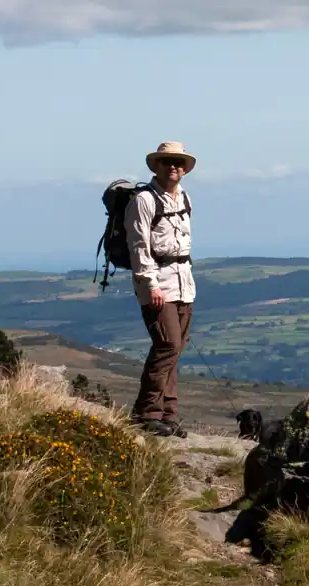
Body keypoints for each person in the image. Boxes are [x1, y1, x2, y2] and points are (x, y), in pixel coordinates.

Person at [125, 141, 197, 437]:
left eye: (178, 162)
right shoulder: (144, 200)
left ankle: (167, 413)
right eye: (167, 161)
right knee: (167, 345)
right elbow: (139, 246)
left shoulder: (184, 198)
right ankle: (146, 412)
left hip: (184, 284)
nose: (173, 167)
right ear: (156, 166)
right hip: (158, 286)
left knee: (175, 349)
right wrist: (151, 284)